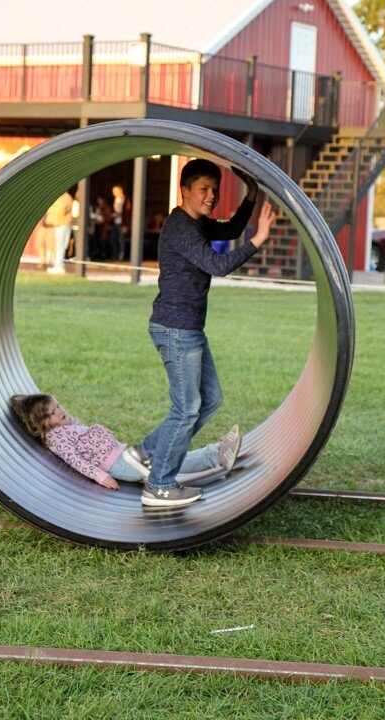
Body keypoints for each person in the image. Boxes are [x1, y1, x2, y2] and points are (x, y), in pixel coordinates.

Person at [137, 159, 277, 508]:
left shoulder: (195, 224)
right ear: (184, 190)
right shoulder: (181, 227)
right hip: (175, 328)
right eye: (204, 189)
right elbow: (218, 264)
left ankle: (146, 453)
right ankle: (159, 485)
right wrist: (258, 240)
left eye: (215, 189)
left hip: (188, 328)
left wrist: (251, 197)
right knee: (186, 410)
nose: (212, 196)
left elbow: (229, 231)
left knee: (209, 399)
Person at [10, 393, 242, 500]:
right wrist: (101, 477)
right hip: (120, 466)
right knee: (169, 459)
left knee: (169, 455)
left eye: (58, 406)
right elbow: (75, 461)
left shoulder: (66, 426)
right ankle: (217, 455)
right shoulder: (57, 439)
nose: (60, 412)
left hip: (124, 456)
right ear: (42, 423)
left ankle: (217, 451)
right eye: (53, 413)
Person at [45, 191, 73, 275]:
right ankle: (58, 265)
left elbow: (61, 210)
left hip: (62, 225)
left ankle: (59, 266)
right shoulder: (62, 197)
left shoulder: (65, 197)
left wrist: (50, 209)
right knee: (59, 246)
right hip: (58, 225)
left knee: (60, 246)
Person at [110, 185, 131, 261]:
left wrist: (126, 225)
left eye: (115, 191)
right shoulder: (115, 199)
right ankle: (115, 255)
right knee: (113, 239)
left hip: (122, 223)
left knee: (121, 240)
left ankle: (121, 255)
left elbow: (128, 213)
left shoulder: (126, 200)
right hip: (115, 222)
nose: (114, 193)